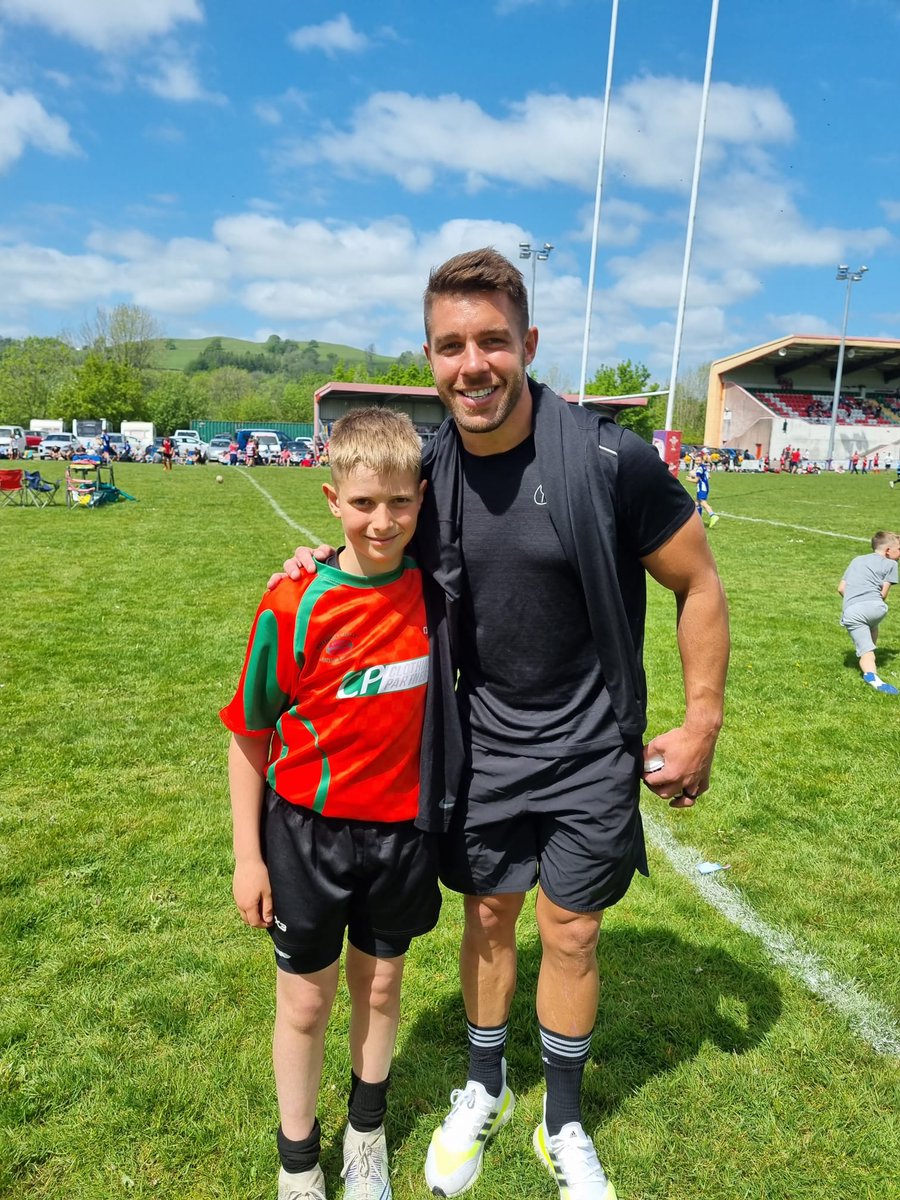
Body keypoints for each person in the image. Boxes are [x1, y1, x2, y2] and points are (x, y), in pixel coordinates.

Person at [276, 248, 729, 1200]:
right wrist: (321, 558)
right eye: (451, 346)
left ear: (526, 343)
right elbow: (378, 535)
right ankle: (483, 1086)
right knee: (487, 920)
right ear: (430, 358)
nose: (471, 364)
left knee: (571, 936)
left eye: (490, 341)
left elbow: (696, 580)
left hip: (589, 747)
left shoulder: (609, 458)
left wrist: (702, 719)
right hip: (477, 750)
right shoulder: (428, 474)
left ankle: (562, 1121)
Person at [222, 407, 439, 1200]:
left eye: (400, 504)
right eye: (362, 503)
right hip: (306, 836)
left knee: (382, 988)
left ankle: (367, 1134)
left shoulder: (437, 592)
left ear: (422, 499)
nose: (382, 522)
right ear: (330, 498)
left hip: (401, 835)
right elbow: (250, 734)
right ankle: (298, 1163)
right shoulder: (293, 600)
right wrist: (249, 856)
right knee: (306, 1004)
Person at [838, 530, 900, 695]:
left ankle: (871, 670)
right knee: (872, 624)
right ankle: (873, 671)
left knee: (866, 651)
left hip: (853, 611)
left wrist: (855, 600)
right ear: (888, 551)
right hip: (876, 608)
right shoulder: (892, 564)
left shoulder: (857, 560)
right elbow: (884, 594)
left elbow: (841, 588)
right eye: (899, 549)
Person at [688, 455, 720, 527]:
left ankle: (713, 515)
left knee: (703, 503)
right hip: (705, 487)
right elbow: (709, 477)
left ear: (702, 460)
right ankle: (698, 521)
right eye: (696, 460)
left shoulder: (699, 469)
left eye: (698, 460)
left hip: (702, 488)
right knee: (696, 503)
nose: (697, 462)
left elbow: (696, 480)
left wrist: (689, 478)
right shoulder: (704, 467)